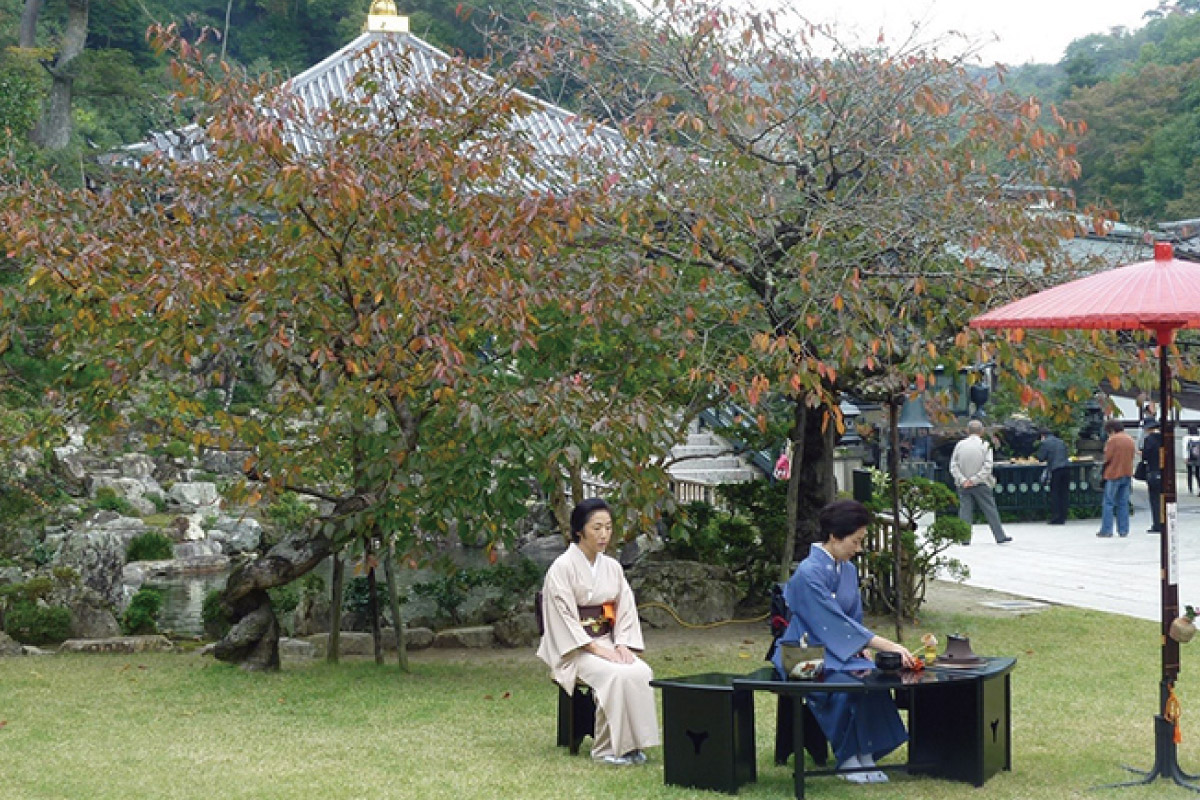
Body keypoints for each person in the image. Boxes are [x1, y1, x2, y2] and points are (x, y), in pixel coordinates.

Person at [771, 499, 914, 784]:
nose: (858, 548)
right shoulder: (808, 573)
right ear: (834, 537)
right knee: (844, 682)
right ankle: (848, 757)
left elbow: (852, 618)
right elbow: (831, 622)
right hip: (801, 651)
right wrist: (888, 645)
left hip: (838, 649)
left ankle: (867, 753)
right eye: (855, 541)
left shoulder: (847, 569)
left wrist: (861, 647)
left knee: (871, 677)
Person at [536, 498, 660, 766]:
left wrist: (623, 644)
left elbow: (624, 607)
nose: (604, 534)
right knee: (614, 675)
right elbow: (563, 616)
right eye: (596, 528)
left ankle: (632, 745)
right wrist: (594, 649)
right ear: (580, 531)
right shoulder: (562, 568)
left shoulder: (612, 567)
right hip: (575, 648)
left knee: (639, 671)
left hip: (608, 641)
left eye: (608, 527)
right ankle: (605, 750)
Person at [949, 419, 1012, 544]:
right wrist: (975, 479)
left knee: (965, 510)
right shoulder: (985, 445)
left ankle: (964, 538)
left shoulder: (960, 445)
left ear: (967, 431)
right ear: (982, 431)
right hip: (981, 483)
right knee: (990, 510)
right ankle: (999, 536)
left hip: (963, 484)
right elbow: (988, 466)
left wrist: (962, 480)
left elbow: (953, 465)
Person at [1097, 419, 1136, 537]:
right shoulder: (1130, 439)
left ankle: (1106, 530)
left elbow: (1107, 457)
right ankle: (1123, 530)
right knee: (1123, 503)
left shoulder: (1112, 440)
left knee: (1108, 503)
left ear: (1111, 430)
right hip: (1127, 473)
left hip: (1113, 473)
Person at [1036, 428, 1071, 525]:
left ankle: (1056, 517)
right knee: (1064, 493)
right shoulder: (1061, 442)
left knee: (1055, 493)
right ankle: (1063, 516)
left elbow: (1041, 458)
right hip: (1066, 468)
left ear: (1043, 436)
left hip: (1056, 469)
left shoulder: (1045, 443)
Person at [1140, 421, 1163, 533]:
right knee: (1164, 499)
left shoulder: (1149, 439)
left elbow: (1146, 455)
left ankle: (1157, 524)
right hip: (1164, 472)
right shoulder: (1164, 438)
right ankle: (1165, 522)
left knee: (1155, 500)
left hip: (1153, 471)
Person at [1184, 426, 1200, 495]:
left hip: (1190, 458)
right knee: (1197, 473)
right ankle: (1199, 487)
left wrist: (1185, 457)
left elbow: (1185, 448)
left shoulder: (1186, 438)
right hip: (1198, 458)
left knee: (1189, 473)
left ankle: (1190, 489)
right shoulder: (1199, 437)